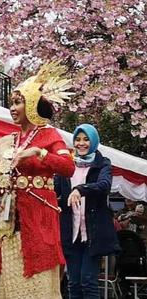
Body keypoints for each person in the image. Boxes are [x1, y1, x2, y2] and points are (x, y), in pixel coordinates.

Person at [0, 62, 76, 298]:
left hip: (38, 222)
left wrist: (39, 153)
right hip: (10, 225)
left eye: (18, 102)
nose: (12, 108)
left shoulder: (49, 135)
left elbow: (68, 167)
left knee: (38, 283)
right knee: (12, 284)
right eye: (11, 103)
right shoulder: (7, 142)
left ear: (33, 105)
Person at [55, 124, 117, 299]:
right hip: (70, 233)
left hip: (93, 233)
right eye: (78, 139)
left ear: (94, 141)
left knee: (88, 281)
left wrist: (80, 189)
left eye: (86, 139)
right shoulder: (66, 166)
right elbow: (55, 192)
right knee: (73, 283)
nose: (81, 143)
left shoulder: (102, 164)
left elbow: (104, 186)